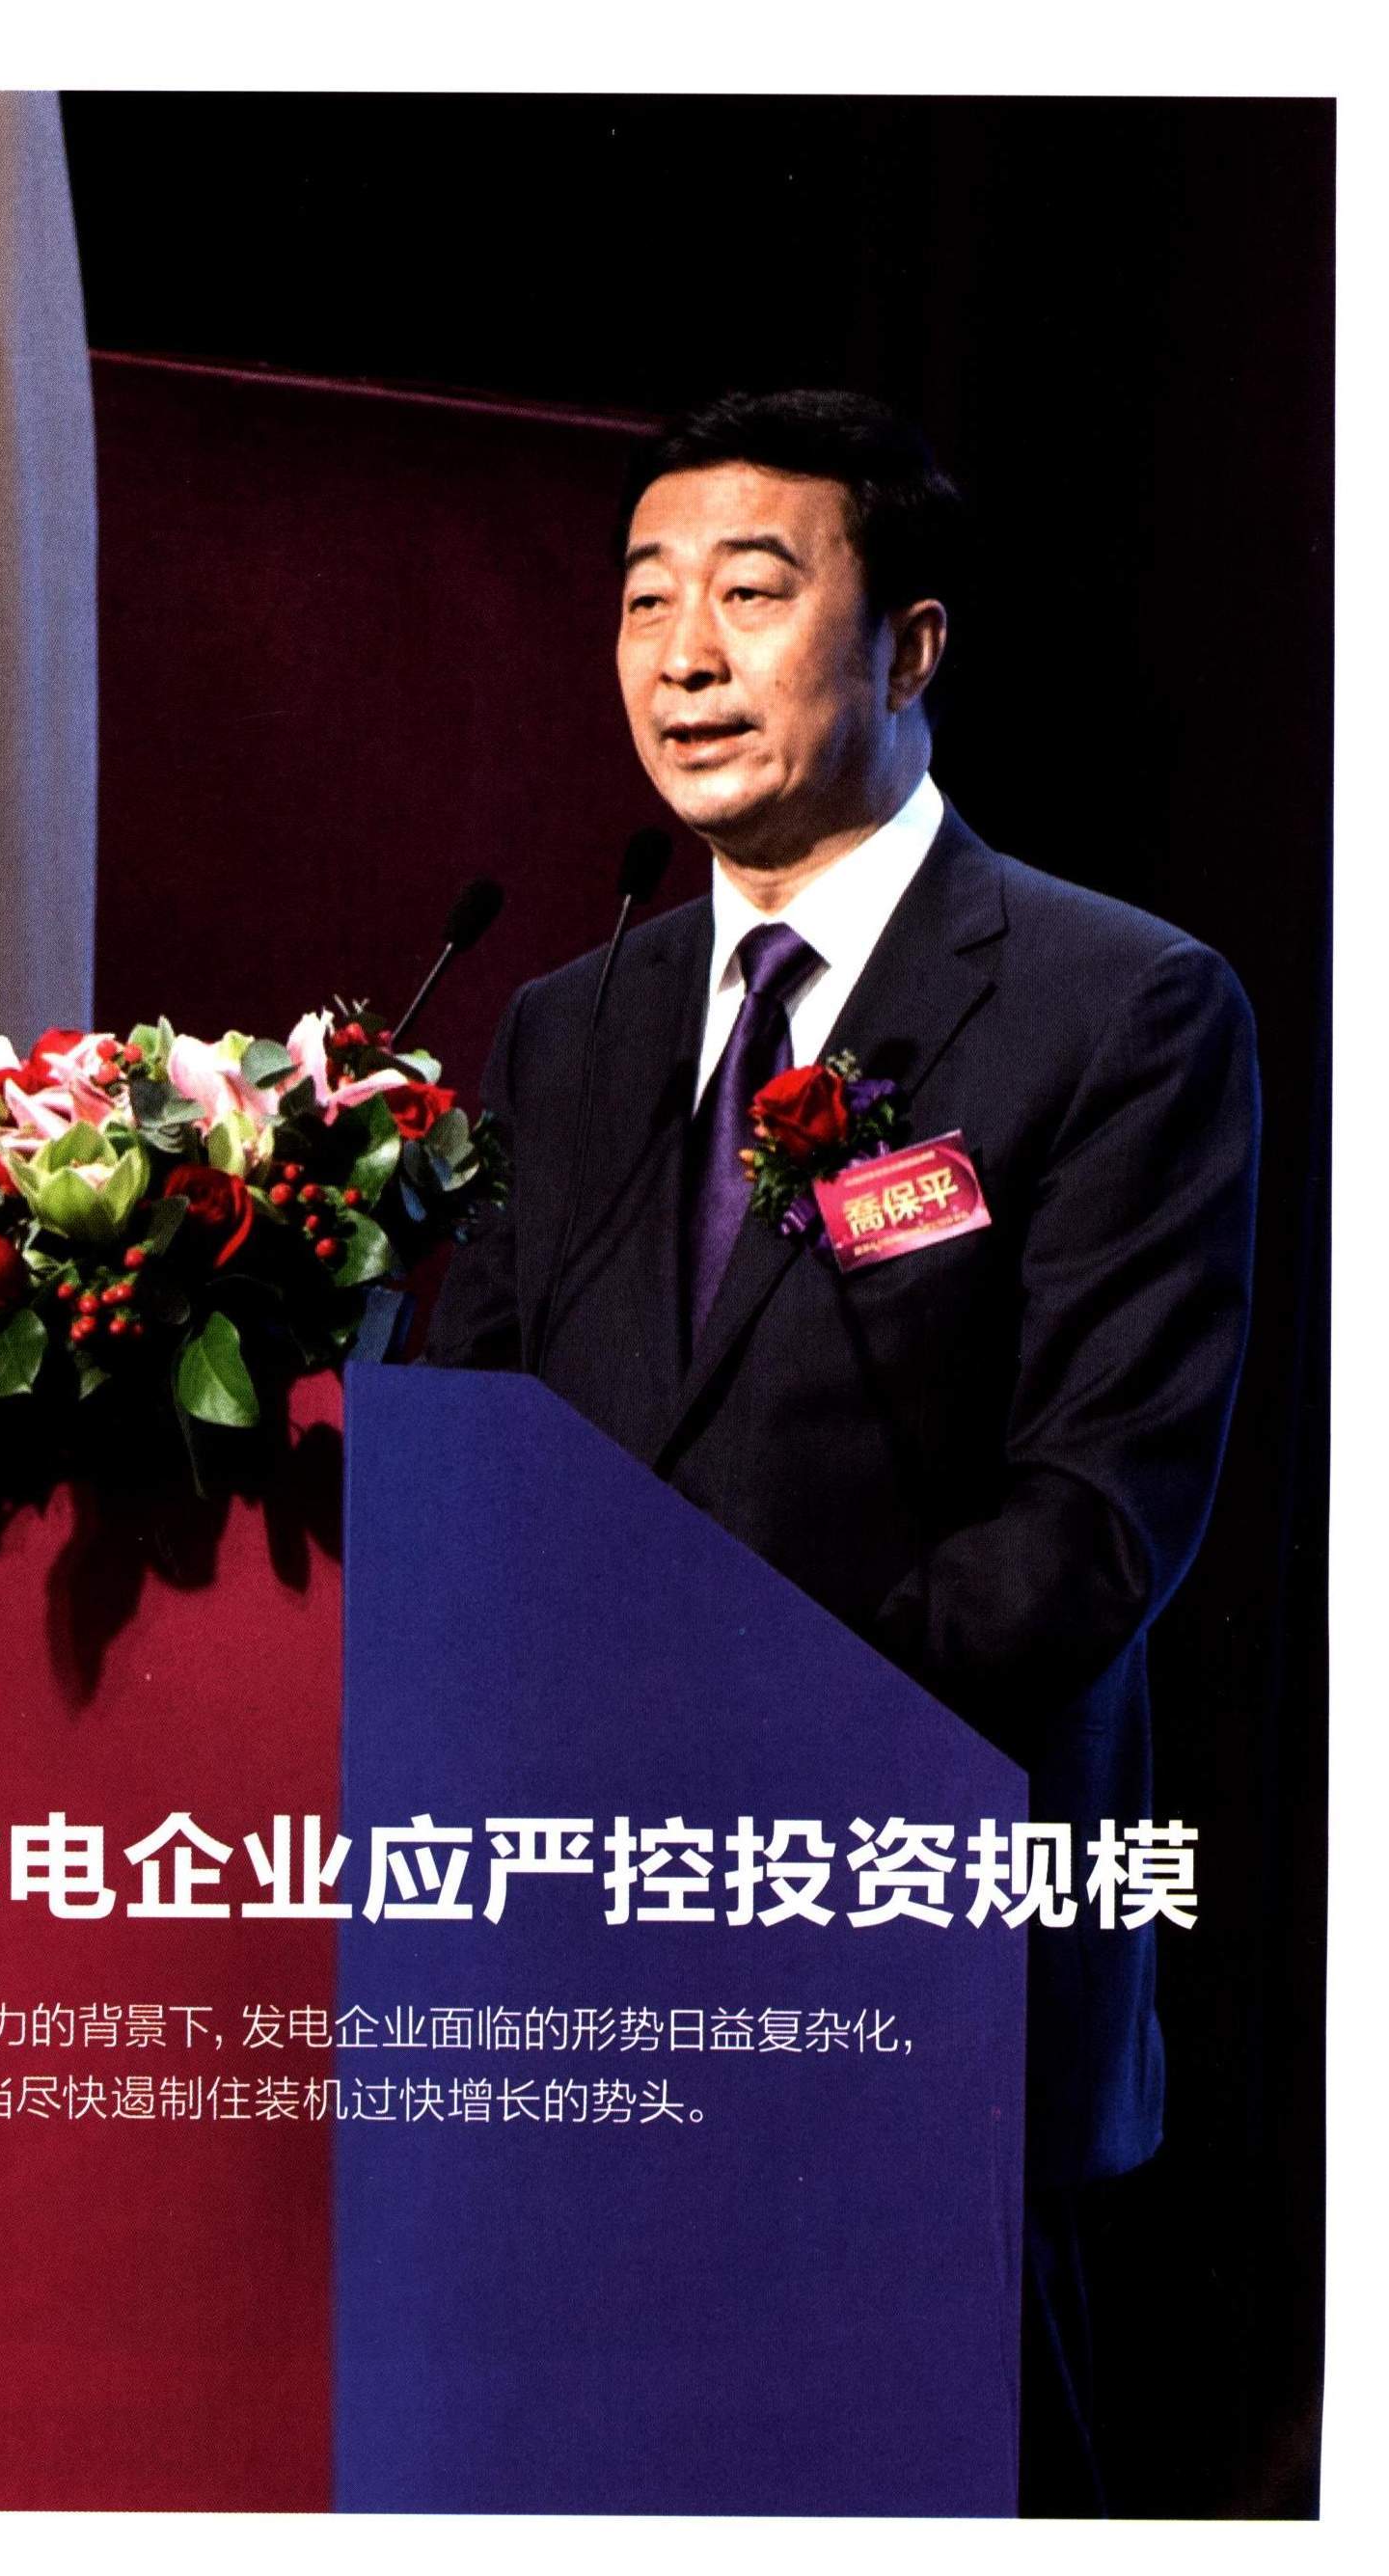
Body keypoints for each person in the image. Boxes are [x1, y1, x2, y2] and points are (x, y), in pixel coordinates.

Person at [425, 387, 1261, 2515]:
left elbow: (1095, 1520)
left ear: (910, 647)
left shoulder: (1119, 1005)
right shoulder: (567, 1029)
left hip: (917, 1968)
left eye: (752, 590)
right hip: (582, 1973)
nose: (684, 655)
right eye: (644, 601)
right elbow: (474, 1450)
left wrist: (723, 1737)